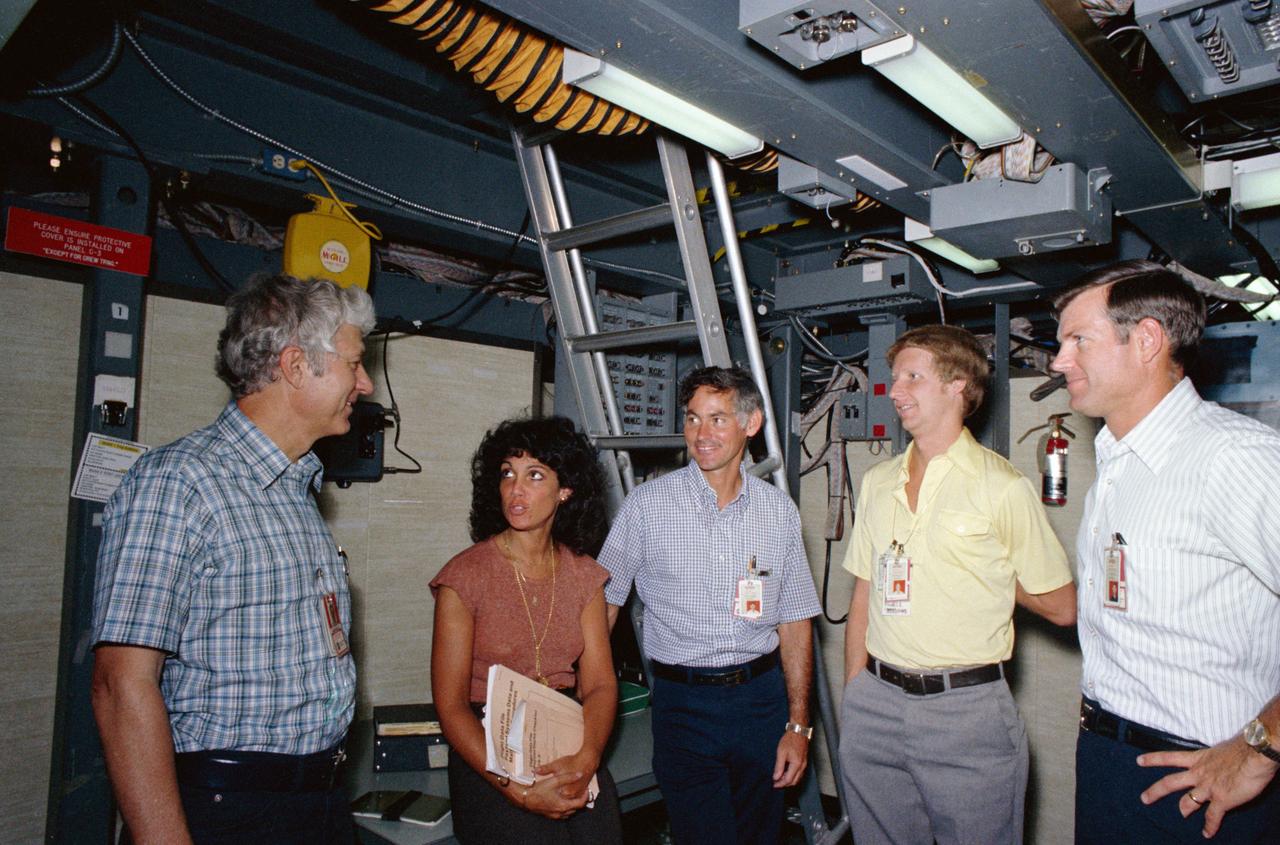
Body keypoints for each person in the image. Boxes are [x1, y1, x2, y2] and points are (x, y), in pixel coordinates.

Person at [90, 274, 376, 844]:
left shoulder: (297, 487)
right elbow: (121, 686)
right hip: (228, 811)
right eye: (354, 363)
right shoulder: (179, 483)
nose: (365, 384)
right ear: (297, 366)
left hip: (316, 800)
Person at [1051, 260, 1280, 843]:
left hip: (1206, 782)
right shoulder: (1116, 463)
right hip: (1108, 760)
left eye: (1078, 340)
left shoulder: (1236, 459)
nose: (1058, 361)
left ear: (1147, 339)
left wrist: (1260, 748)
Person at [838, 324, 1076, 845]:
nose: (896, 391)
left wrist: (988, 574)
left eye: (913, 378)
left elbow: (1063, 606)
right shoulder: (879, 483)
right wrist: (856, 687)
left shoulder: (1002, 487)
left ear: (957, 386)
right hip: (874, 704)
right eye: (895, 377)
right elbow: (864, 593)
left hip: (965, 714)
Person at [598, 365, 821, 845]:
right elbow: (604, 605)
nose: (702, 434)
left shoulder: (777, 510)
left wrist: (799, 725)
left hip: (761, 700)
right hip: (683, 705)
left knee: (762, 834)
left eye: (718, 419)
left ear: (751, 423)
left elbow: (796, 620)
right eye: (693, 418)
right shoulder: (647, 506)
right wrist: (579, 697)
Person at [430, 416, 623, 844]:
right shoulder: (463, 578)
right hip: (486, 748)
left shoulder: (585, 576)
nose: (516, 490)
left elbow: (600, 686)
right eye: (507, 474)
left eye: (534, 475)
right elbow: (450, 707)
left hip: (565, 736)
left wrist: (588, 757)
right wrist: (516, 791)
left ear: (565, 490)